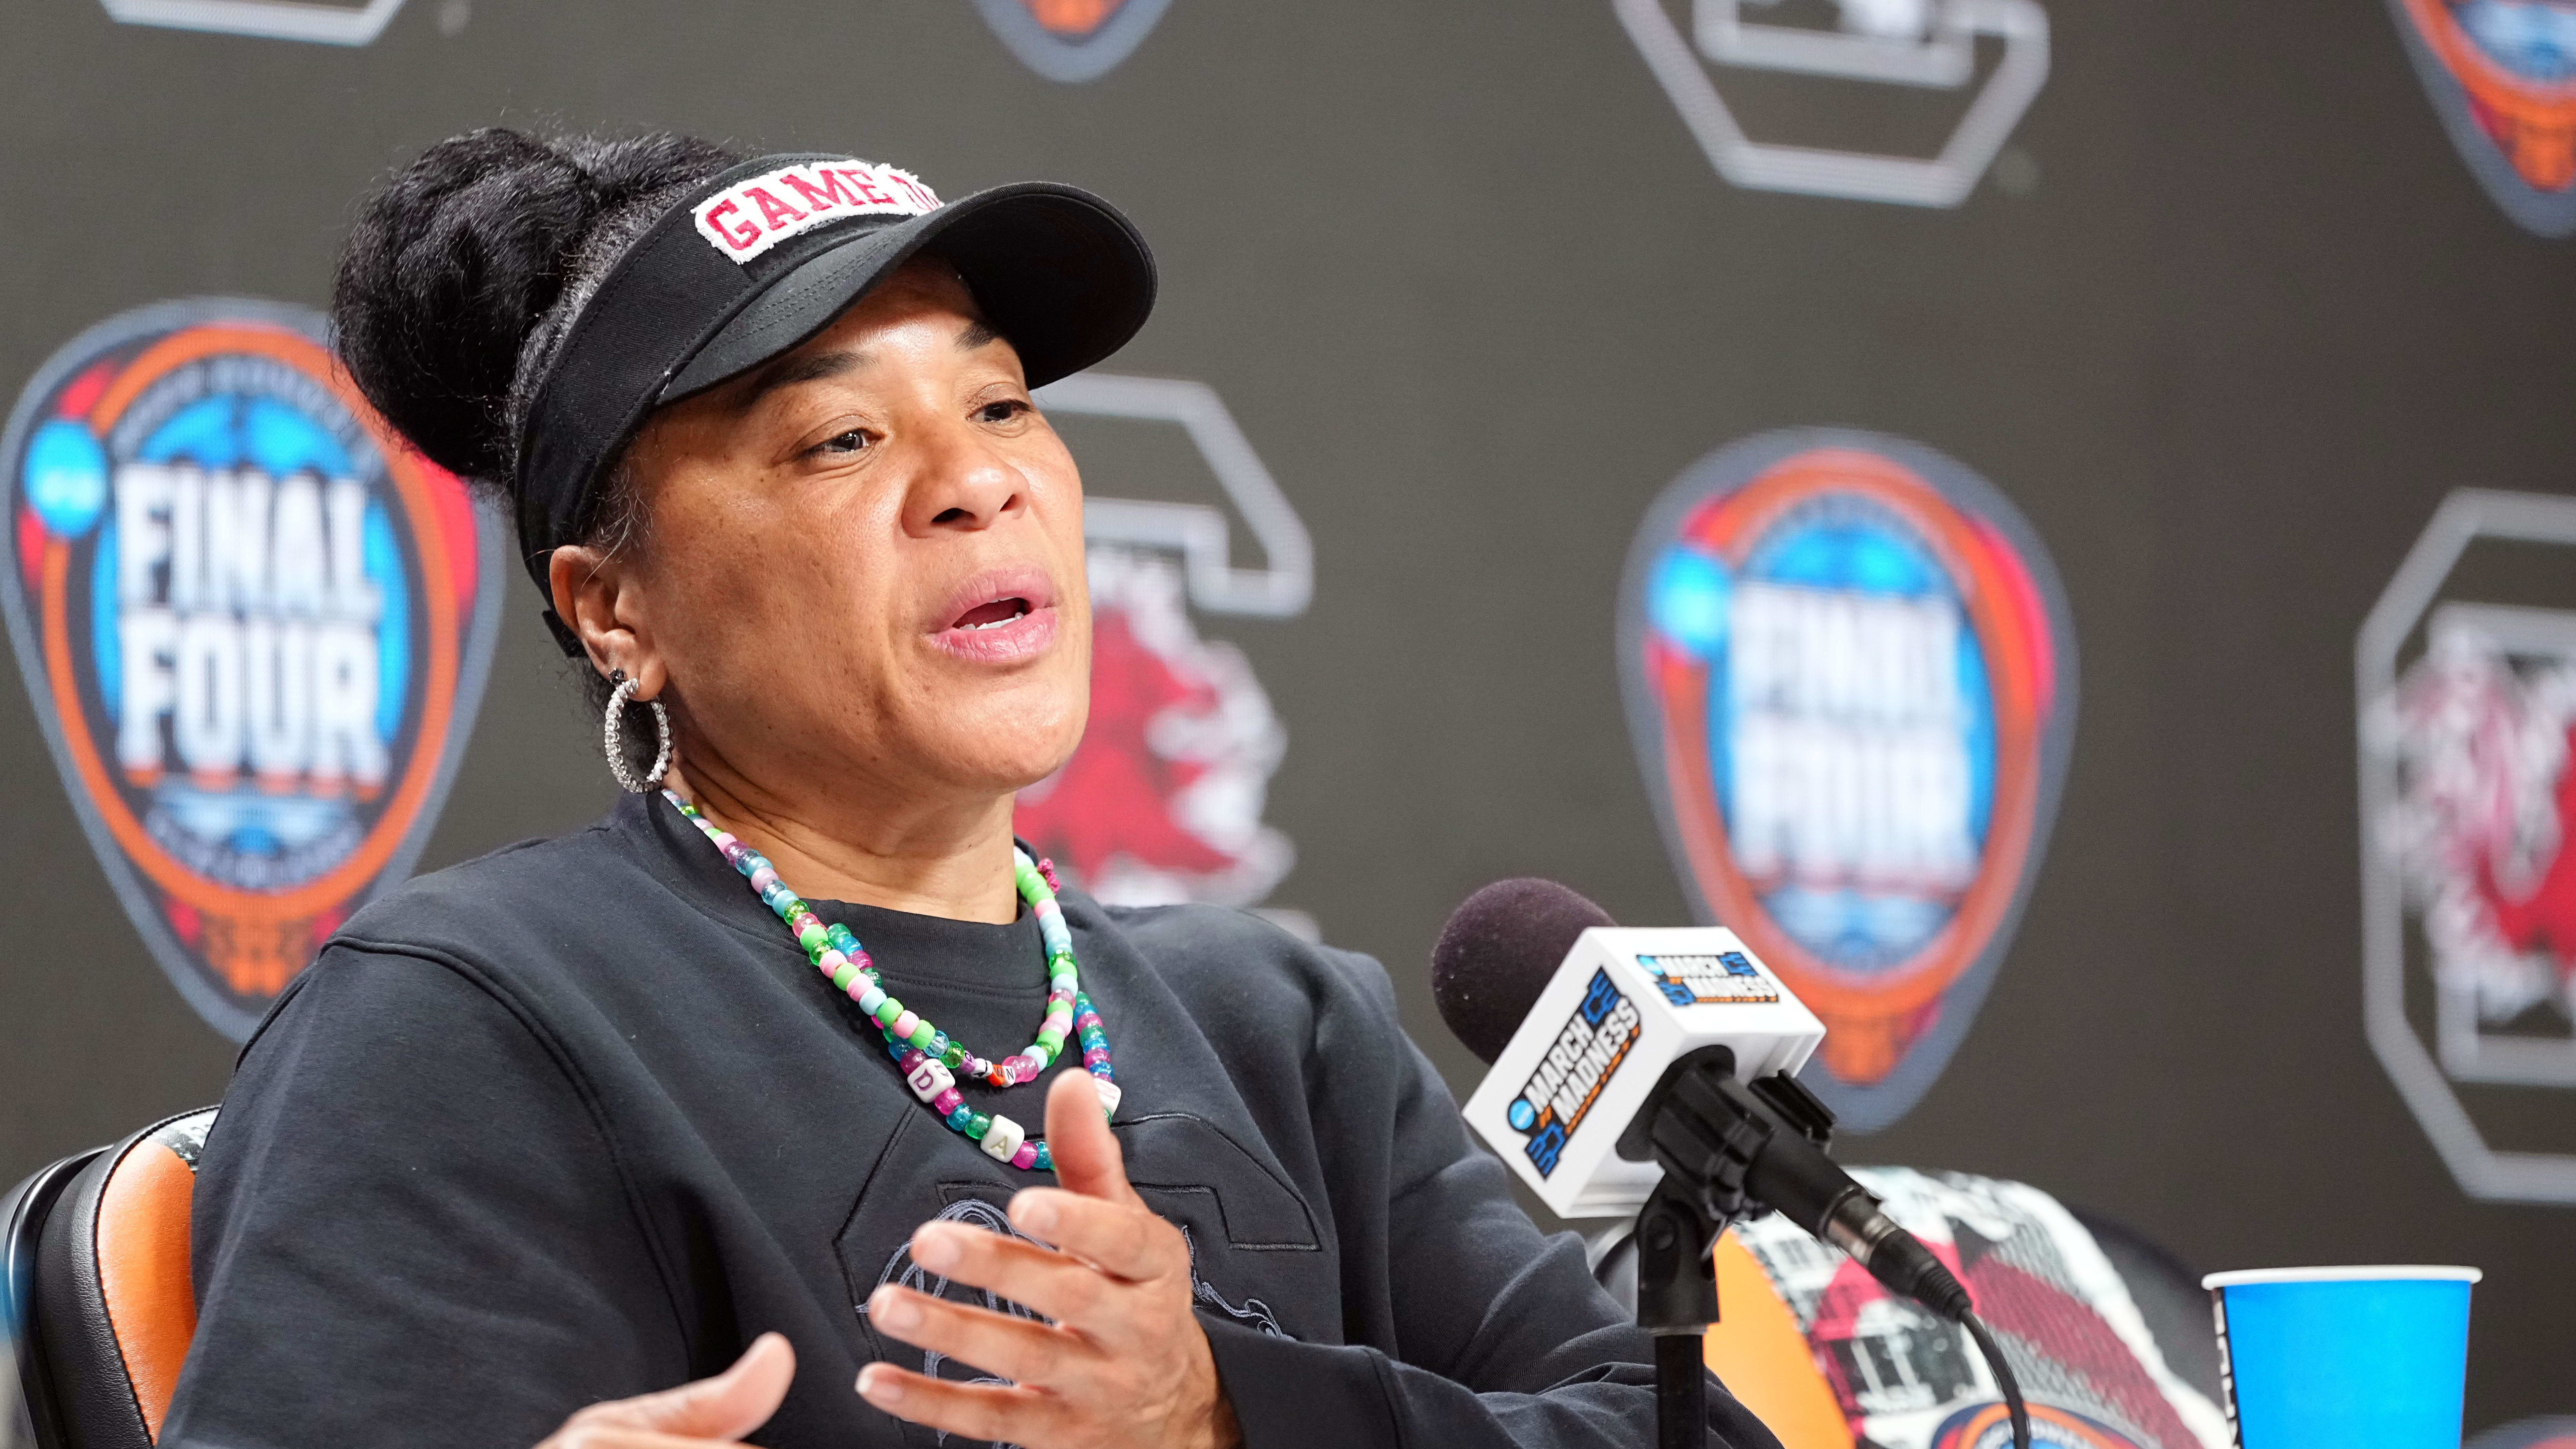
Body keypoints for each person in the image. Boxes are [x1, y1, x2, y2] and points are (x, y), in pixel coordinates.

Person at [158, 127, 1783, 1449]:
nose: (980, 477)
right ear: (613, 608)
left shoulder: (1279, 1020)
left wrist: (1221, 1414)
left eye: (1001, 403)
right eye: (840, 440)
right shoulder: (472, 1018)